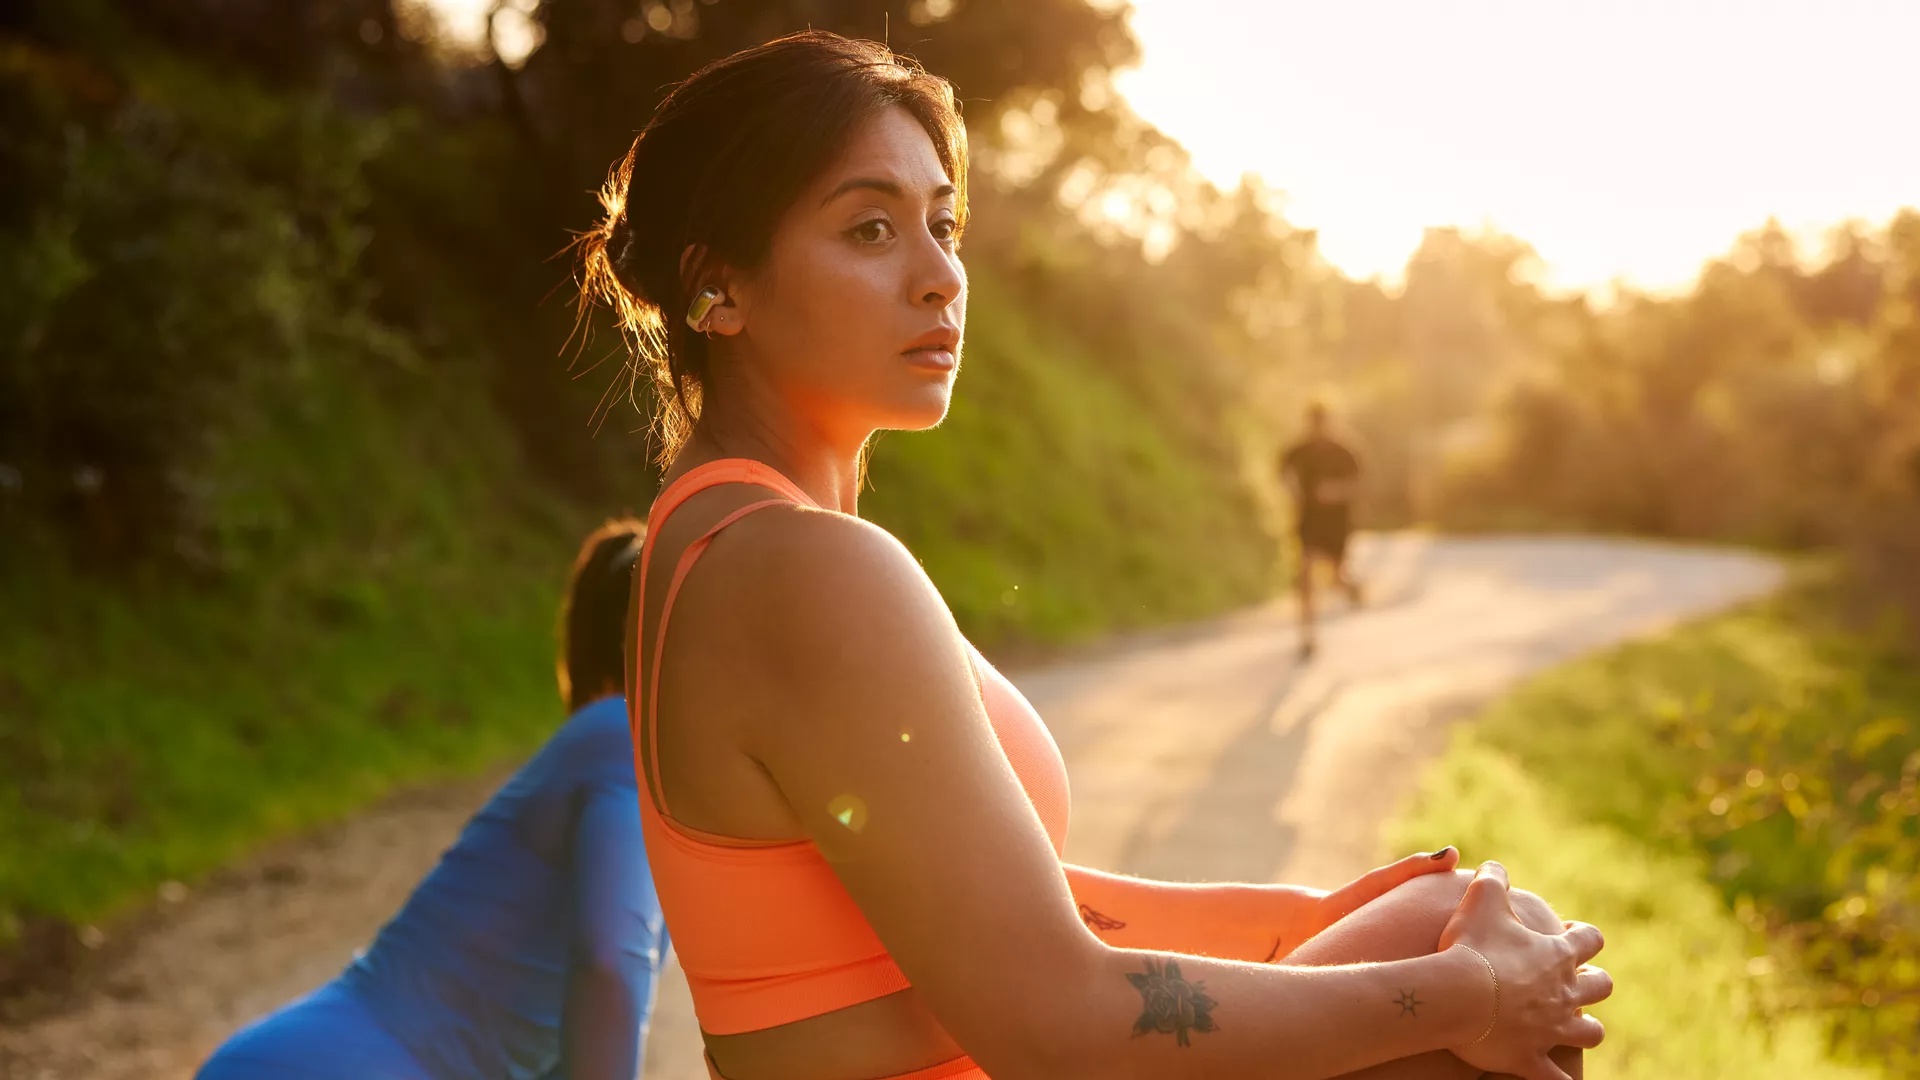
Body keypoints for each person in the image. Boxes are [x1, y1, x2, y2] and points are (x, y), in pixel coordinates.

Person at [578, 31, 1610, 1080]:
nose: (940, 277)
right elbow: (1054, 1017)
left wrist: (1298, 920)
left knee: (1445, 920)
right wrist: (1465, 993)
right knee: (1478, 985)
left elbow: (988, 903)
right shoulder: (801, 568)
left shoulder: (716, 534)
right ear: (720, 290)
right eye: (872, 228)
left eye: (945, 224)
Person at [197, 521, 670, 1080]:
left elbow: (573, 1038)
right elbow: (610, 967)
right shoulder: (624, 737)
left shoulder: (624, 754)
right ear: (636, 628)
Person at [1280, 401, 1366, 660]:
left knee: (1335, 579)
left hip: (1337, 524)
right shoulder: (1299, 450)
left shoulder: (1345, 452)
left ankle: (1351, 589)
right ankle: (1308, 637)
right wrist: (1292, 489)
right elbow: (1283, 471)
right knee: (1305, 574)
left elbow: (1359, 484)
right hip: (1309, 521)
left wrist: (1335, 492)